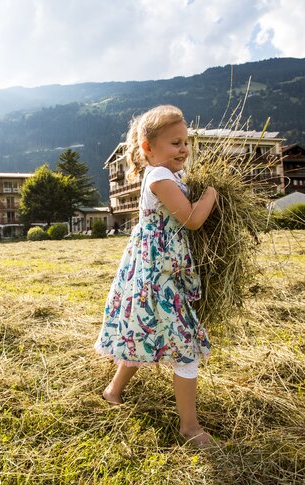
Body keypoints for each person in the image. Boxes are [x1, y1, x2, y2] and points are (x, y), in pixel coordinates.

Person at [94, 105, 218, 447]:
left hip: (163, 270)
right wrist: (211, 195)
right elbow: (192, 219)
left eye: (186, 142)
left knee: (143, 334)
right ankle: (190, 428)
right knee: (185, 346)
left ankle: (113, 391)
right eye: (175, 143)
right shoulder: (160, 177)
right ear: (148, 148)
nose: (184, 149)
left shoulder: (170, 176)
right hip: (157, 277)